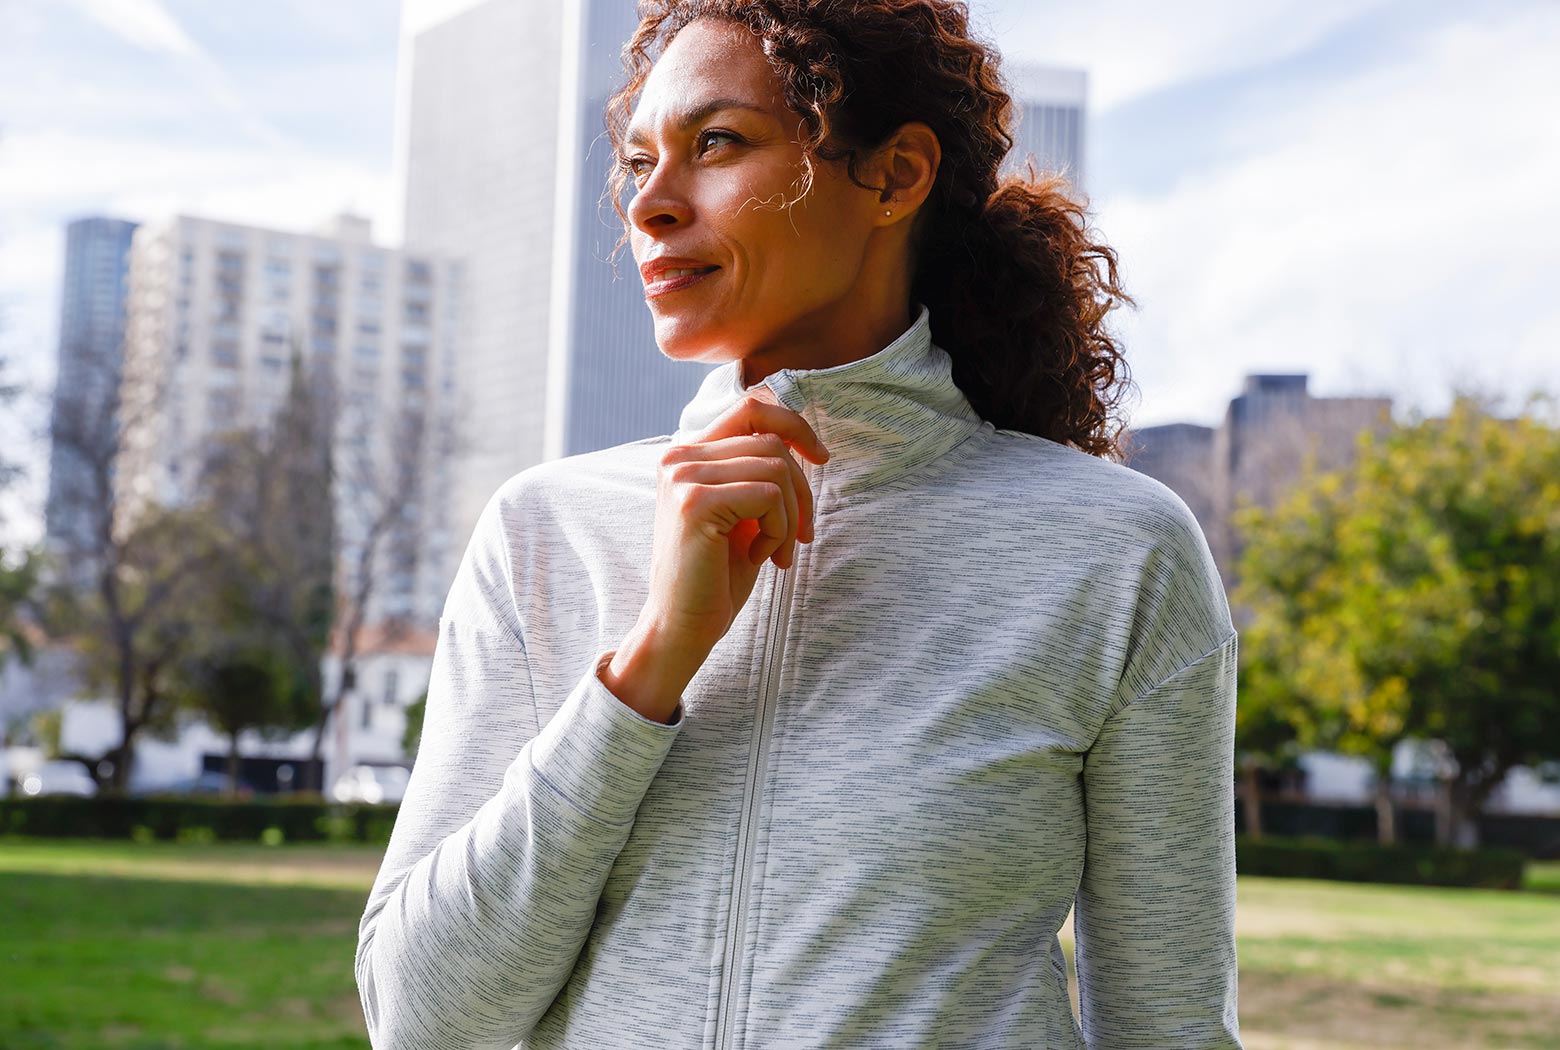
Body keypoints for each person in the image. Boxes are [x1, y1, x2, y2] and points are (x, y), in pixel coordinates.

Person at [355, 2, 1243, 1048]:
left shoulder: (1114, 552)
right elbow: (421, 1018)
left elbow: (1170, 1027)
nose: (649, 205)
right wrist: (651, 660)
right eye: (639, 162)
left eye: (715, 143)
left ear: (895, 175)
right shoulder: (543, 534)